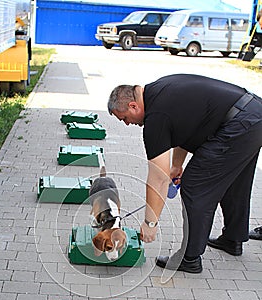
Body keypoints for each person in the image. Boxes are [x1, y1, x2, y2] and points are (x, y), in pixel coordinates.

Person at [107, 74, 262, 273]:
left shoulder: (156, 118)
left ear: (133, 106)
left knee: (195, 186)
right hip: (254, 114)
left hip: (238, 124)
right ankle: (232, 239)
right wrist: (177, 165)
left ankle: (190, 258)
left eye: (125, 118)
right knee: (234, 182)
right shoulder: (160, 90)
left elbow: (158, 179)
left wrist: (150, 223)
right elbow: (185, 128)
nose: (128, 124)